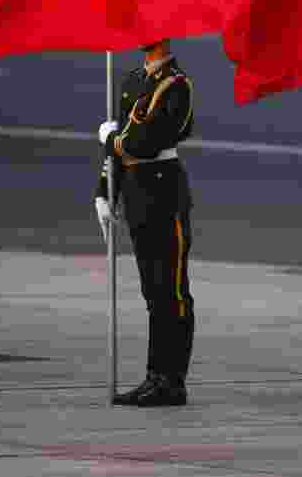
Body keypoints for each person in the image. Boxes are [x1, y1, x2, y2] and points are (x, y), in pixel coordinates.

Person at [94, 39, 195, 406]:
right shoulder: (133, 79)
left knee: (172, 290)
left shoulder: (177, 84)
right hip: (137, 193)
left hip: (163, 192)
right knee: (153, 290)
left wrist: (112, 140)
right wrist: (105, 190)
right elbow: (124, 145)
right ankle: (155, 375)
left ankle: (172, 379)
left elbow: (148, 141)